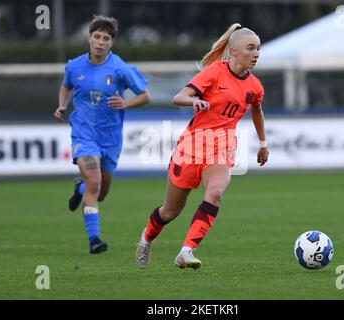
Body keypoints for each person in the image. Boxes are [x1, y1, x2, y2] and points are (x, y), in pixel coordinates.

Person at [135, 23, 268, 269]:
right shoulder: (215, 72)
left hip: (222, 146)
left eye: (258, 48)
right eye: (251, 48)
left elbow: (257, 111)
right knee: (170, 212)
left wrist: (262, 143)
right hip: (192, 146)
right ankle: (146, 238)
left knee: (215, 193)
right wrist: (193, 102)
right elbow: (179, 97)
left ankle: (186, 251)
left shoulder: (255, 86)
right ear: (234, 51)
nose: (256, 53)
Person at [54, 15, 150, 254]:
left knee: (100, 192)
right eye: (96, 36)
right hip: (84, 134)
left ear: (111, 43)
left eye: (105, 38)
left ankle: (80, 189)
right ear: (89, 38)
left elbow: (145, 96)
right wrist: (63, 106)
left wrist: (126, 103)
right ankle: (94, 239)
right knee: (94, 183)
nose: (100, 42)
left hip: (111, 139)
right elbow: (66, 85)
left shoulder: (120, 68)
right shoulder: (75, 66)